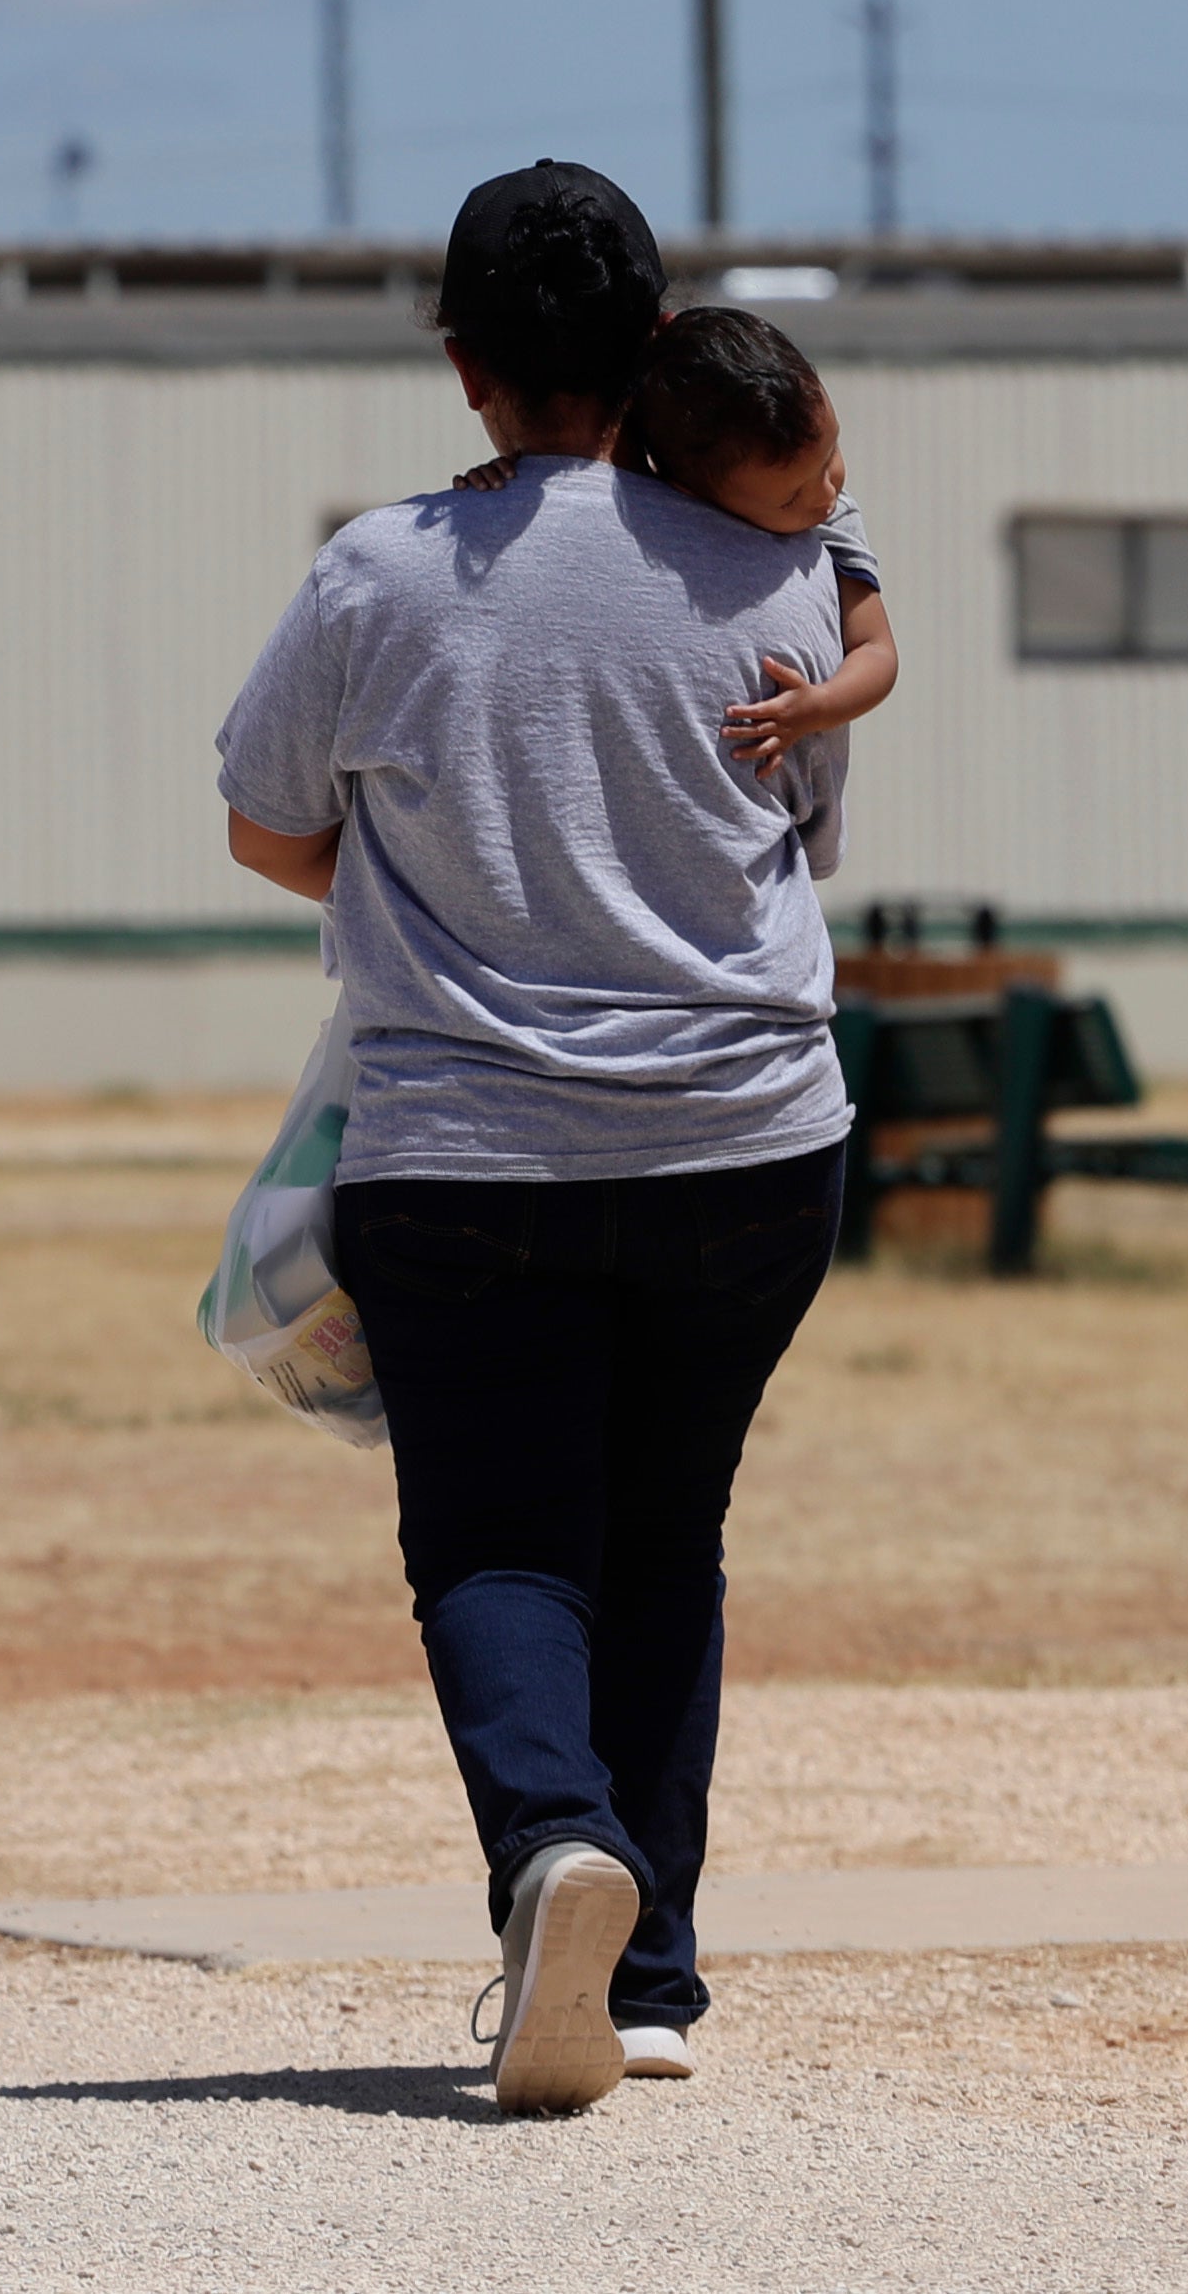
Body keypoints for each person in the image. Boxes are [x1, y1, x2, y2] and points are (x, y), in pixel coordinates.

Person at [214, 160, 856, 2116]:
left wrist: (397, 873)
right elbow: (796, 838)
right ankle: (645, 1978)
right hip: (750, 1138)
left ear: (460, 361)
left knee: (497, 1532)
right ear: (654, 339)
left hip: (465, 1144)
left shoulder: (377, 571)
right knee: (666, 1524)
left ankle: (552, 1848)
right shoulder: (776, 569)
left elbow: (260, 821)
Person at [454, 302, 896, 781]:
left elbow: (877, 651)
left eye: (831, 454)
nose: (828, 494)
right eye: (792, 498)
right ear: (689, 494)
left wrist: (818, 706)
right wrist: (502, 481)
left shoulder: (833, 526)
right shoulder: (653, 511)